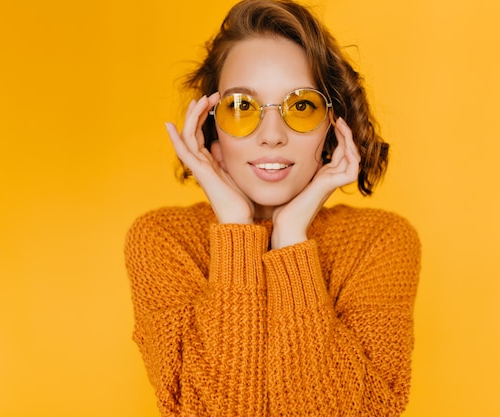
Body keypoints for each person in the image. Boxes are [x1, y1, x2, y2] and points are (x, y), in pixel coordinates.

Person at [124, 0, 421, 415]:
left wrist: (290, 239)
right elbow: (207, 409)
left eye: (300, 106)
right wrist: (234, 229)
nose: (272, 135)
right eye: (242, 107)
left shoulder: (380, 243)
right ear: (211, 124)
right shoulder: (164, 240)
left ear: (332, 125)